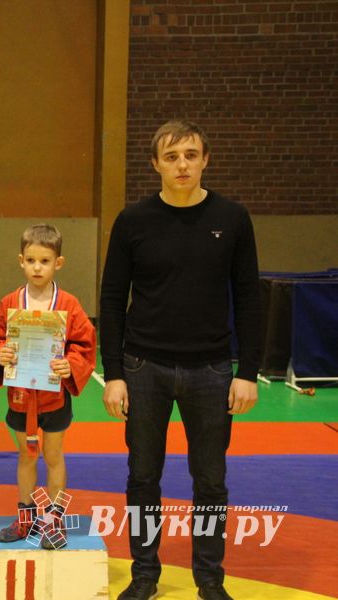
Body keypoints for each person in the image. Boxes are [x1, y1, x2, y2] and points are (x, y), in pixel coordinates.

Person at [100, 120, 261, 600]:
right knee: (142, 477)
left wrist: (247, 372)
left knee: (211, 481)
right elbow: (111, 299)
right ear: (155, 165)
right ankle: (145, 574)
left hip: (212, 370)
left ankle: (209, 580)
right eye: (171, 157)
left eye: (191, 154)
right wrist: (113, 374)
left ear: (206, 159)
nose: (182, 164)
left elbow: (250, 298)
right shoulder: (133, 221)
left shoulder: (233, 218)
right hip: (143, 368)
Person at [0, 224, 96, 549]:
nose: (38, 267)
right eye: (32, 260)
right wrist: (1, 353)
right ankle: (26, 518)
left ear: (58, 263)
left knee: (53, 456)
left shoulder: (69, 304)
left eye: (45, 261)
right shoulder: (10, 303)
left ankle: (54, 521)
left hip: (54, 397)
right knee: (25, 455)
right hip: (21, 397)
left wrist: (71, 365)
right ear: (21, 260)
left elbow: (84, 344)